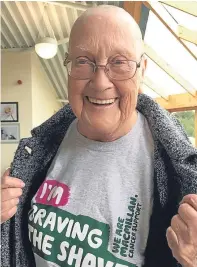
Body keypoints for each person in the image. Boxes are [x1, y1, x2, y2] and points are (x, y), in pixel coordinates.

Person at [1, 5, 197, 267]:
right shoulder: (38, 153)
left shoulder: (181, 175)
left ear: (142, 70)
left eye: (119, 62)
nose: (100, 82)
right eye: (84, 62)